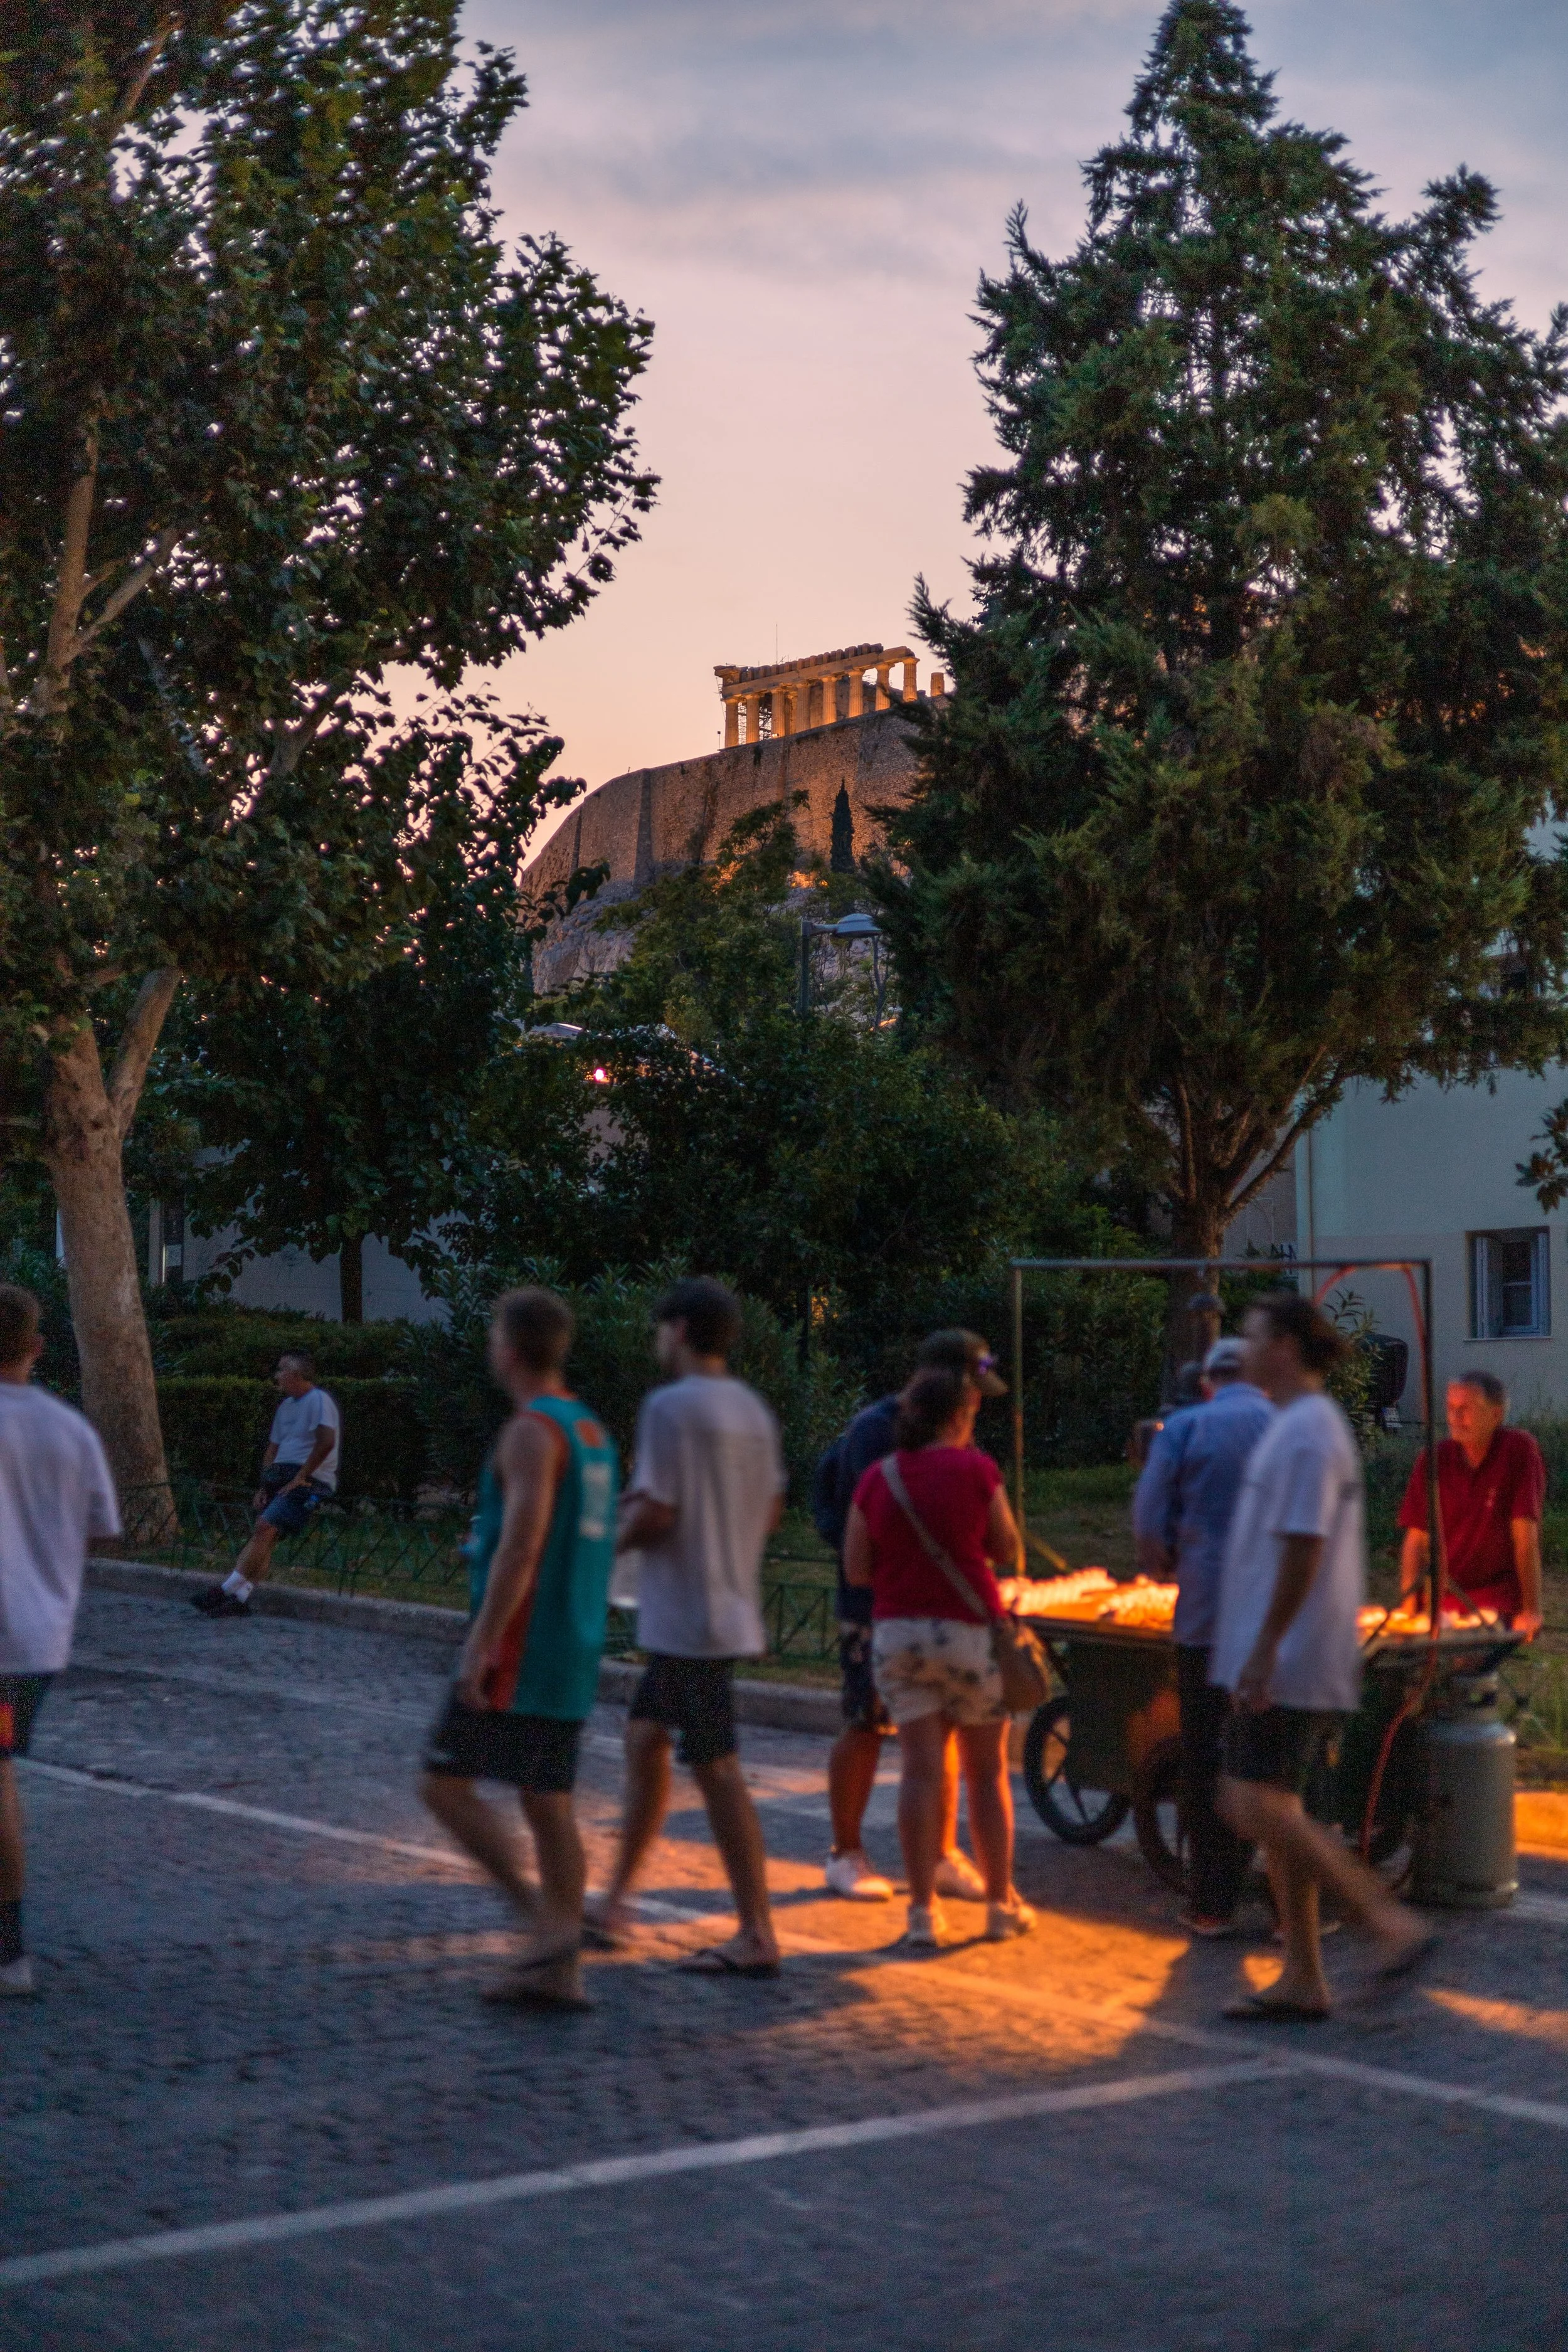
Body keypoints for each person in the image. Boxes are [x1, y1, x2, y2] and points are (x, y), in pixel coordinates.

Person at [1212, 1293, 1433, 2021]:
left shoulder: (1308, 1431)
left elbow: (1303, 1546)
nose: (1241, 1348)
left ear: (1283, 1346)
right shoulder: (1294, 1425)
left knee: (1250, 1801)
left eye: (1251, 1336)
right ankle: (1304, 1975)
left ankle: (1385, 1923)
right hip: (1285, 1651)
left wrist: (1263, 1650)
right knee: (1279, 1810)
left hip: (1291, 1657)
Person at [421, 1288, 618, 2010]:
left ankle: (544, 1929)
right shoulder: (589, 1429)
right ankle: (558, 1968)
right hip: (572, 1639)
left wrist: (481, 1644)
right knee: (547, 1798)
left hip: (522, 1646)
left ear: (507, 1349)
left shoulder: (531, 1432)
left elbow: (523, 1544)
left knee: (443, 1785)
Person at [591, 1278, 785, 1978]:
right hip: (718, 1606)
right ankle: (616, 1901)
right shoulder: (750, 1408)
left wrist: (600, 1549)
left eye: (658, 1329)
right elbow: (771, 1507)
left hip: (690, 1616)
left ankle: (757, 1932)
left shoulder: (670, 1407)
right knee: (646, 1738)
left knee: (717, 1767)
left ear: (676, 1331)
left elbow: (658, 1512)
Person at [810, 1329, 1005, 1905]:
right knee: (866, 1724)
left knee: (942, 1731)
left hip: (933, 1607)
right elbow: (872, 1527)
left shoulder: (951, 1432)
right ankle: (846, 1852)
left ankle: (940, 1854)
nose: (979, 1404)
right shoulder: (876, 1431)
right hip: (877, 1607)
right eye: (975, 1391)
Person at [844, 1364, 1034, 1951]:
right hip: (970, 1635)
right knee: (987, 1773)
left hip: (899, 1636)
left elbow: (856, 1567)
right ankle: (999, 1906)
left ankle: (923, 1912)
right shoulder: (978, 1471)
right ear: (956, 1418)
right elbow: (1006, 1545)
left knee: (921, 1772)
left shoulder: (878, 1478)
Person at [0, 1283, 120, 1996]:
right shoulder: (69, 1430)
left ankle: (8, 1949)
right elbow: (102, 1527)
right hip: (35, 1642)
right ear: (38, 1347)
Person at [1133, 1334, 1274, 1937]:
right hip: (1275, 1627)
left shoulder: (1186, 1428)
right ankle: (1288, 1912)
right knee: (1275, 1764)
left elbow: (1147, 1518)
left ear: (1209, 1383)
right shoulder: (1287, 1426)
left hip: (1204, 1624)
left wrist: (1162, 1565)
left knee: (1206, 1756)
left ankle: (1212, 1904)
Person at [191, 1350, 341, 1616]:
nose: (277, 1375)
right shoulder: (286, 1407)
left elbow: (326, 1442)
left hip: (308, 1480)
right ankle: (241, 1600)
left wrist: (301, 1476)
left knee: (264, 1527)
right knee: (264, 1536)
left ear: (296, 1374)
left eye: (282, 1369)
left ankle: (225, 1590)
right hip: (282, 1476)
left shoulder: (320, 1401)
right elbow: (273, 1448)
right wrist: (265, 1484)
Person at [1396, 1372, 1545, 1636]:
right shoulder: (1435, 1460)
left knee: (1468, 1652)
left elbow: (1525, 1536)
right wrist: (1409, 1607)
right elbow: (1415, 1540)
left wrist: (1531, 1610)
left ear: (1496, 1415)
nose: (1455, 1417)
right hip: (1443, 1600)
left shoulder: (1518, 1451)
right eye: (1451, 1408)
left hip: (1496, 1599)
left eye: (1465, 1409)